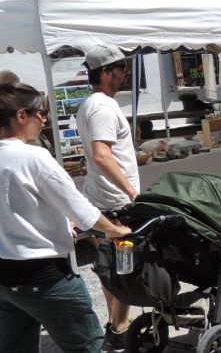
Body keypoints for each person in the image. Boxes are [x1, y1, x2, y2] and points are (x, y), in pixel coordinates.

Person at [0, 82, 132, 353]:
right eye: (40, 113)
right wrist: (115, 231)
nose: (44, 119)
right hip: (46, 278)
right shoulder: (33, 157)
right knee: (88, 348)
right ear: (21, 116)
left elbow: (16, 209)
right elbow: (82, 210)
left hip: (5, 278)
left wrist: (61, 224)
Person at [76, 44, 139, 349]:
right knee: (123, 270)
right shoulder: (101, 106)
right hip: (115, 203)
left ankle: (116, 325)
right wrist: (130, 190)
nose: (126, 73)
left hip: (104, 198)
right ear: (105, 73)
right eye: (121, 68)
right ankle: (119, 330)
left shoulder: (93, 103)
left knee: (111, 270)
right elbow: (101, 156)